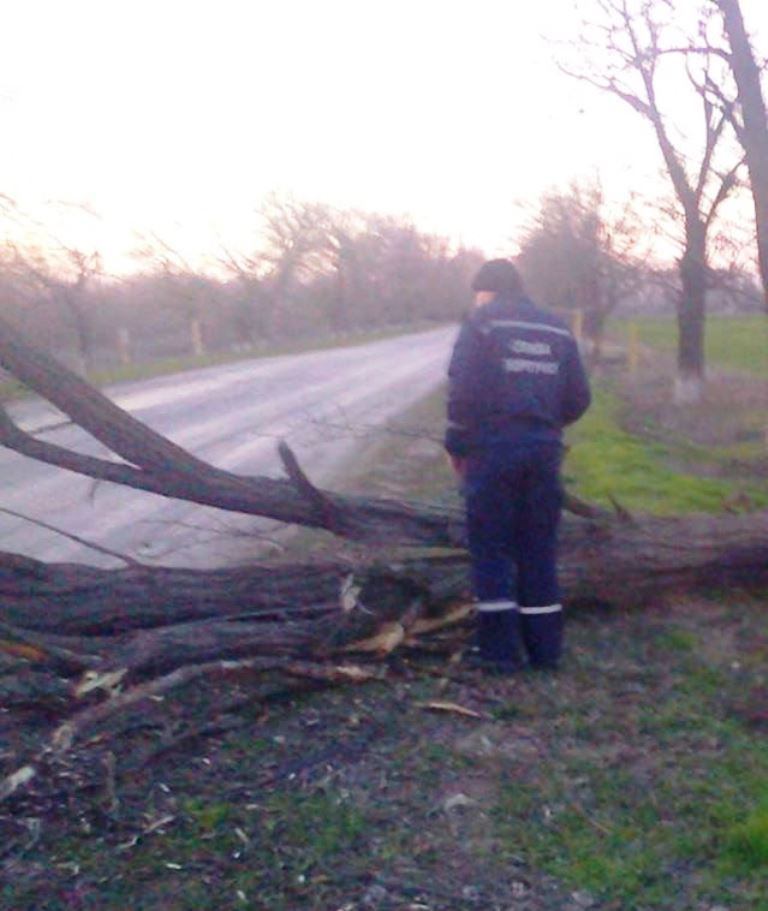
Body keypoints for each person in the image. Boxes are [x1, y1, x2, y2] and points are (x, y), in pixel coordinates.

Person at [445, 258, 591, 674]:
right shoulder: (556, 327)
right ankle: (545, 651)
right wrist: (543, 426)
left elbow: (462, 392)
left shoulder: (483, 325)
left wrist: (457, 444)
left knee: (491, 548)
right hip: (544, 452)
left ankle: (499, 654)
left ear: (488, 290)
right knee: (538, 549)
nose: (477, 301)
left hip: (492, 450)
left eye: (478, 294)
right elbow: (579, 398)